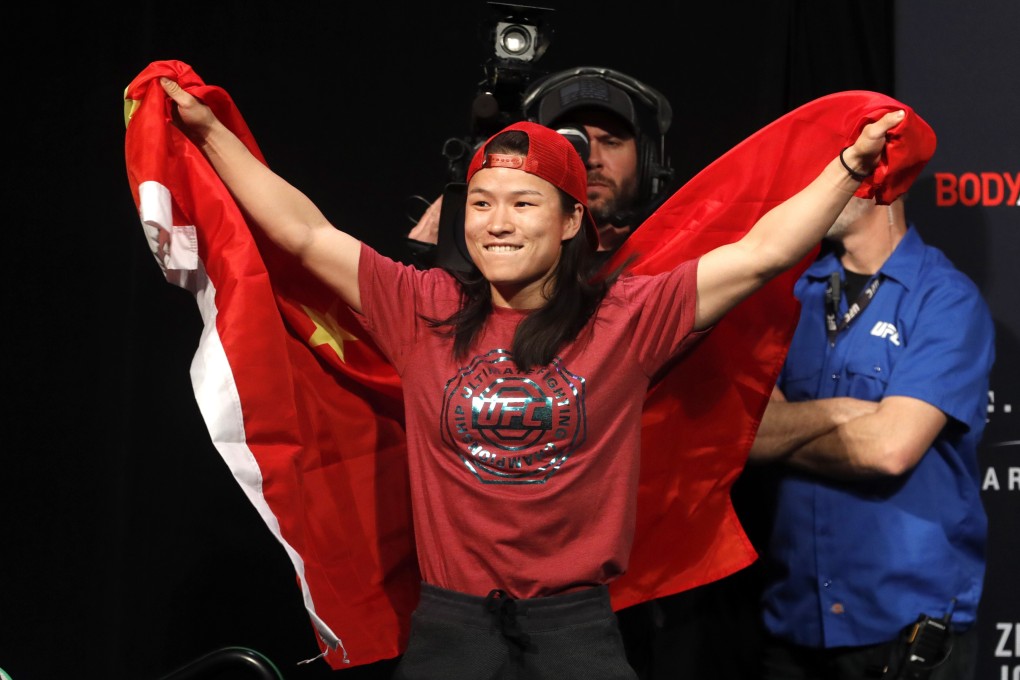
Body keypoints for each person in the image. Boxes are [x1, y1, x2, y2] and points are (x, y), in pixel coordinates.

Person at [158, 72, 905, 679]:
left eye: (523, 203)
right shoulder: (423, 306)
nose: (497, 221)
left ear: (572, 221)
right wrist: (208, 131)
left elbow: (763, 251)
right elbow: (303, 232)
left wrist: (846, 167)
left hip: (576, 635)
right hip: (450, 634)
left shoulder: (626, 316)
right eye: (481, 203)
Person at [747, 195, 995, 679]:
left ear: (886, 183)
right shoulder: (785, 297)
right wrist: (844, 412)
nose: (828, 181)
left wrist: (787, 428)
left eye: (848, 164)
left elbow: (888, 449)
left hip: (905, 638)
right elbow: (744, 438)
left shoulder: (944, 297)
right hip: (794, 625)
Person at [406, 66, 675, 263]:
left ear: (648, 164)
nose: (591, 160)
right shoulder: (495, 267)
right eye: (570, 145)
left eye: (611, 142)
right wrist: (430, 259)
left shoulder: (675, 260)